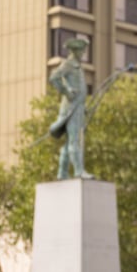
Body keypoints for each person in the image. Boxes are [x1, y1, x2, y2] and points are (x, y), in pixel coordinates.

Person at [48, 38, 92, 179]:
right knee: (74, 141)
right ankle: (79, 171)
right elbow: (54, 77)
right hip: (70, 109)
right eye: (82, 50)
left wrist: (83, 106)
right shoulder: (67, 64)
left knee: (69, 142)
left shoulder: (78, 66)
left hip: (78, 107)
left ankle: (62, 173)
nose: (83, 53)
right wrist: (66, 91)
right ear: (75, 51)